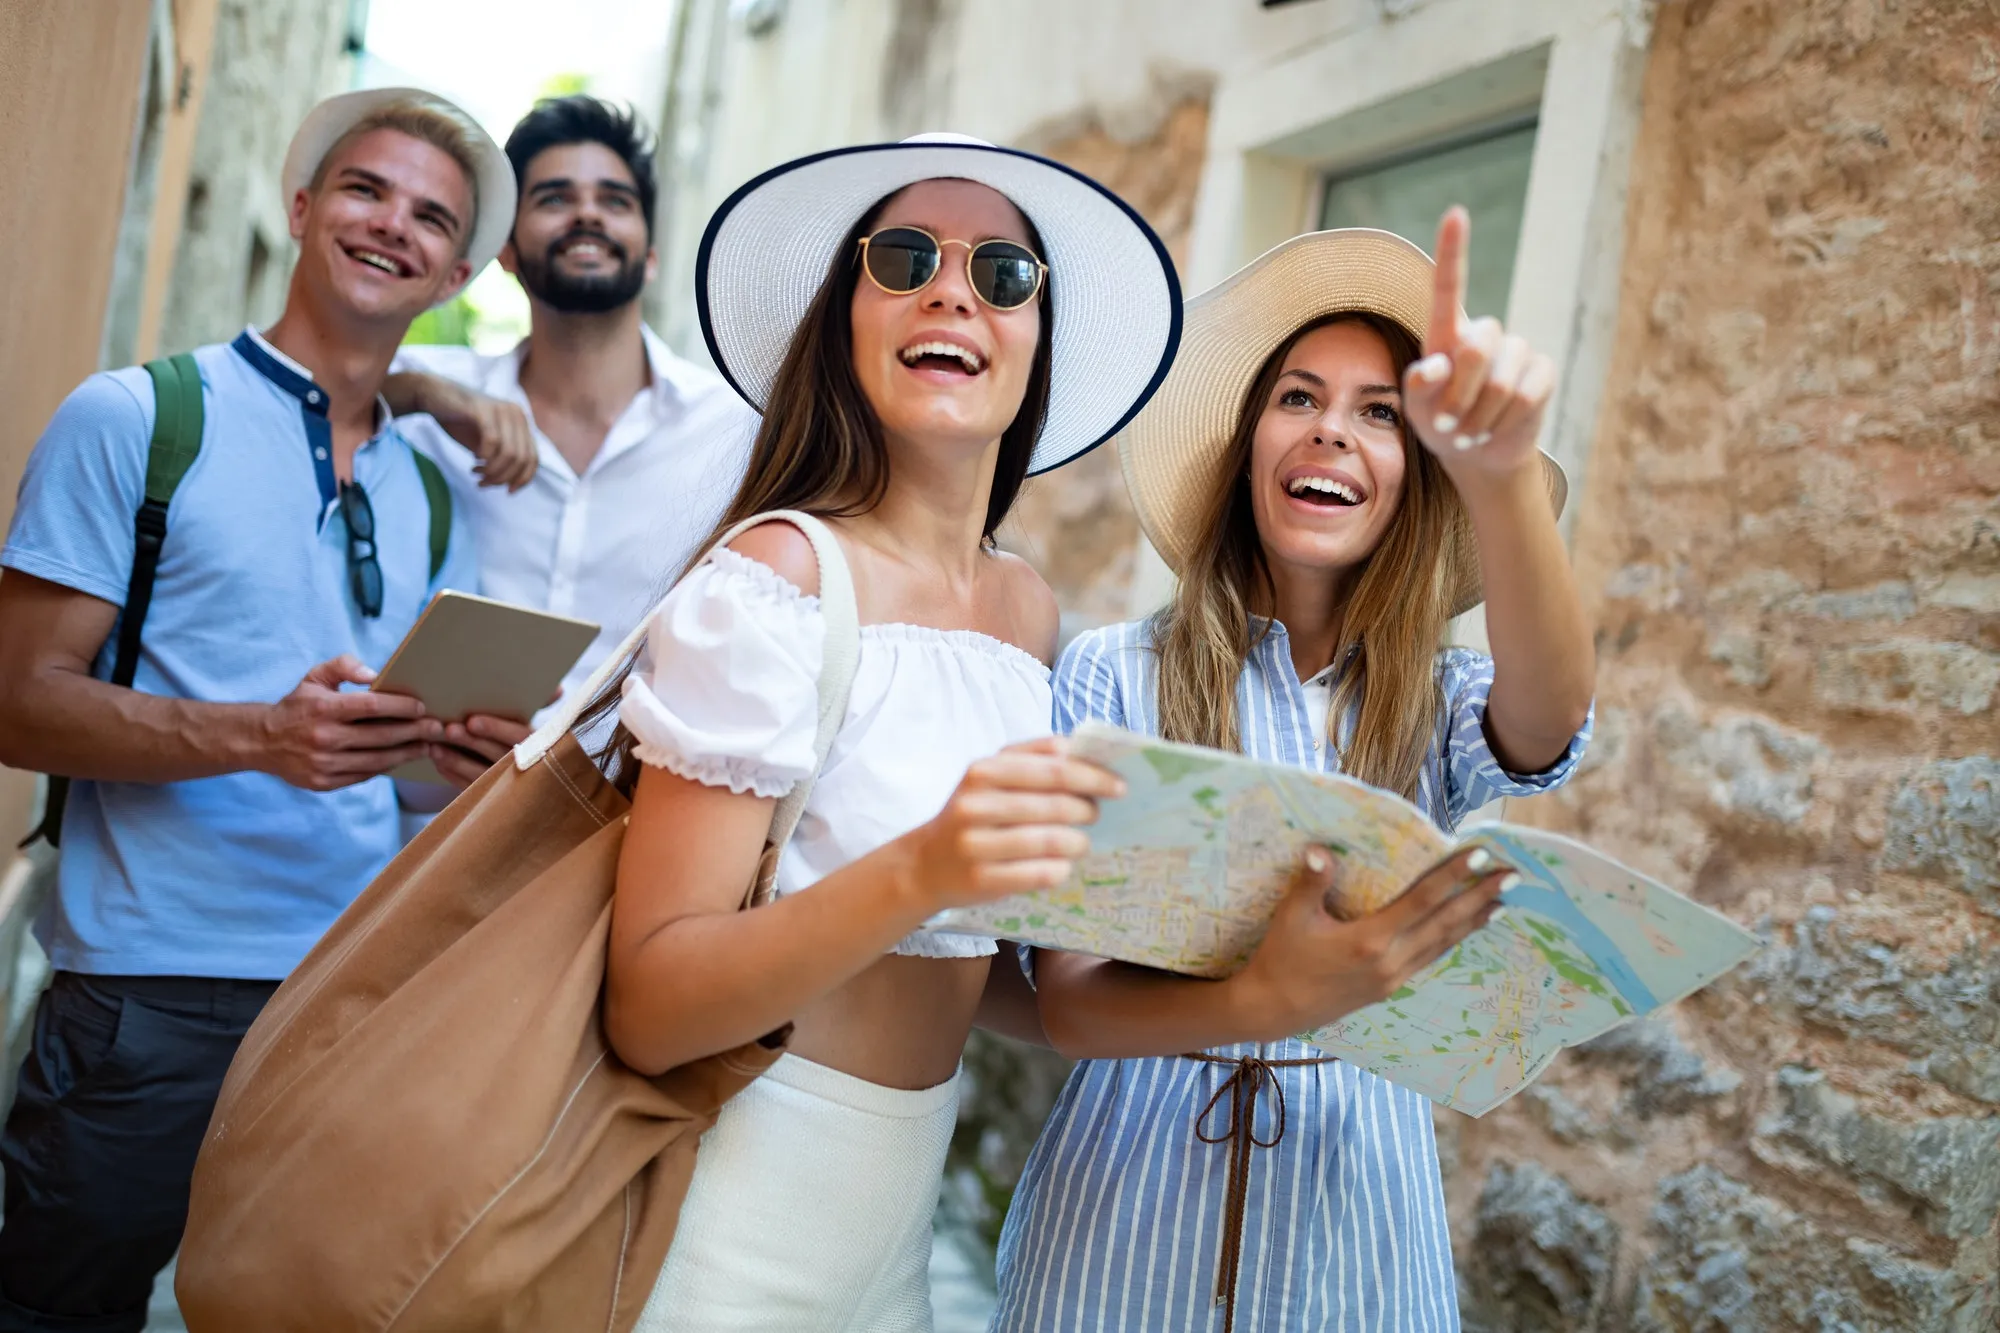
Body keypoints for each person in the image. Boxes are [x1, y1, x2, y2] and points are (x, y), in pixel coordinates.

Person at [578, 134, 1181, 1330]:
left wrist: (1251, 975)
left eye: (1000, 273)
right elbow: (649, 1008)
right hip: (724, 1225)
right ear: (844, 321)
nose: (950, 290)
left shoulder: (1027, 611)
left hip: (896, 1246)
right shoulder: (775, 580)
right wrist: (925, 865)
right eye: (904, 259)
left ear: (1036, 339)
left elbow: (972, 973)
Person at [990, 214, 1597, 1332]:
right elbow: (1065, 999)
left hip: (1355, 1233)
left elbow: (1550, 715)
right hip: (1120, 1221)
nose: (1331, 431)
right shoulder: (1111, 676)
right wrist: (1266, 996)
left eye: (1381, 413)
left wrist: (1501, 473)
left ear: (1417, 477)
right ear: (1247, 448)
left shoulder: (1435, 702)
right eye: (1297, 397)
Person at [0, 88, 513, 1332]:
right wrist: (258, 737)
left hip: (348, 994)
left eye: (430, 216)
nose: (391, 224)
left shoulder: (431, 495)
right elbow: (16, 703)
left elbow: (399, 780)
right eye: (364, 189)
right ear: (299, 206)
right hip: (144, 990)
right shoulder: (137, 418)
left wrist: (460, 757)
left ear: (456, 272)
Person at [383, 96, 759, 780]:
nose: (587, 214)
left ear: (650, 255)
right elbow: (309, 406)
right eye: (555, 198)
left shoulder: (734, 433)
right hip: (431, 816)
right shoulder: (427, 402)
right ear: (504, 250)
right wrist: (419, 395)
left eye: (615, 200)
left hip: (632, 824)